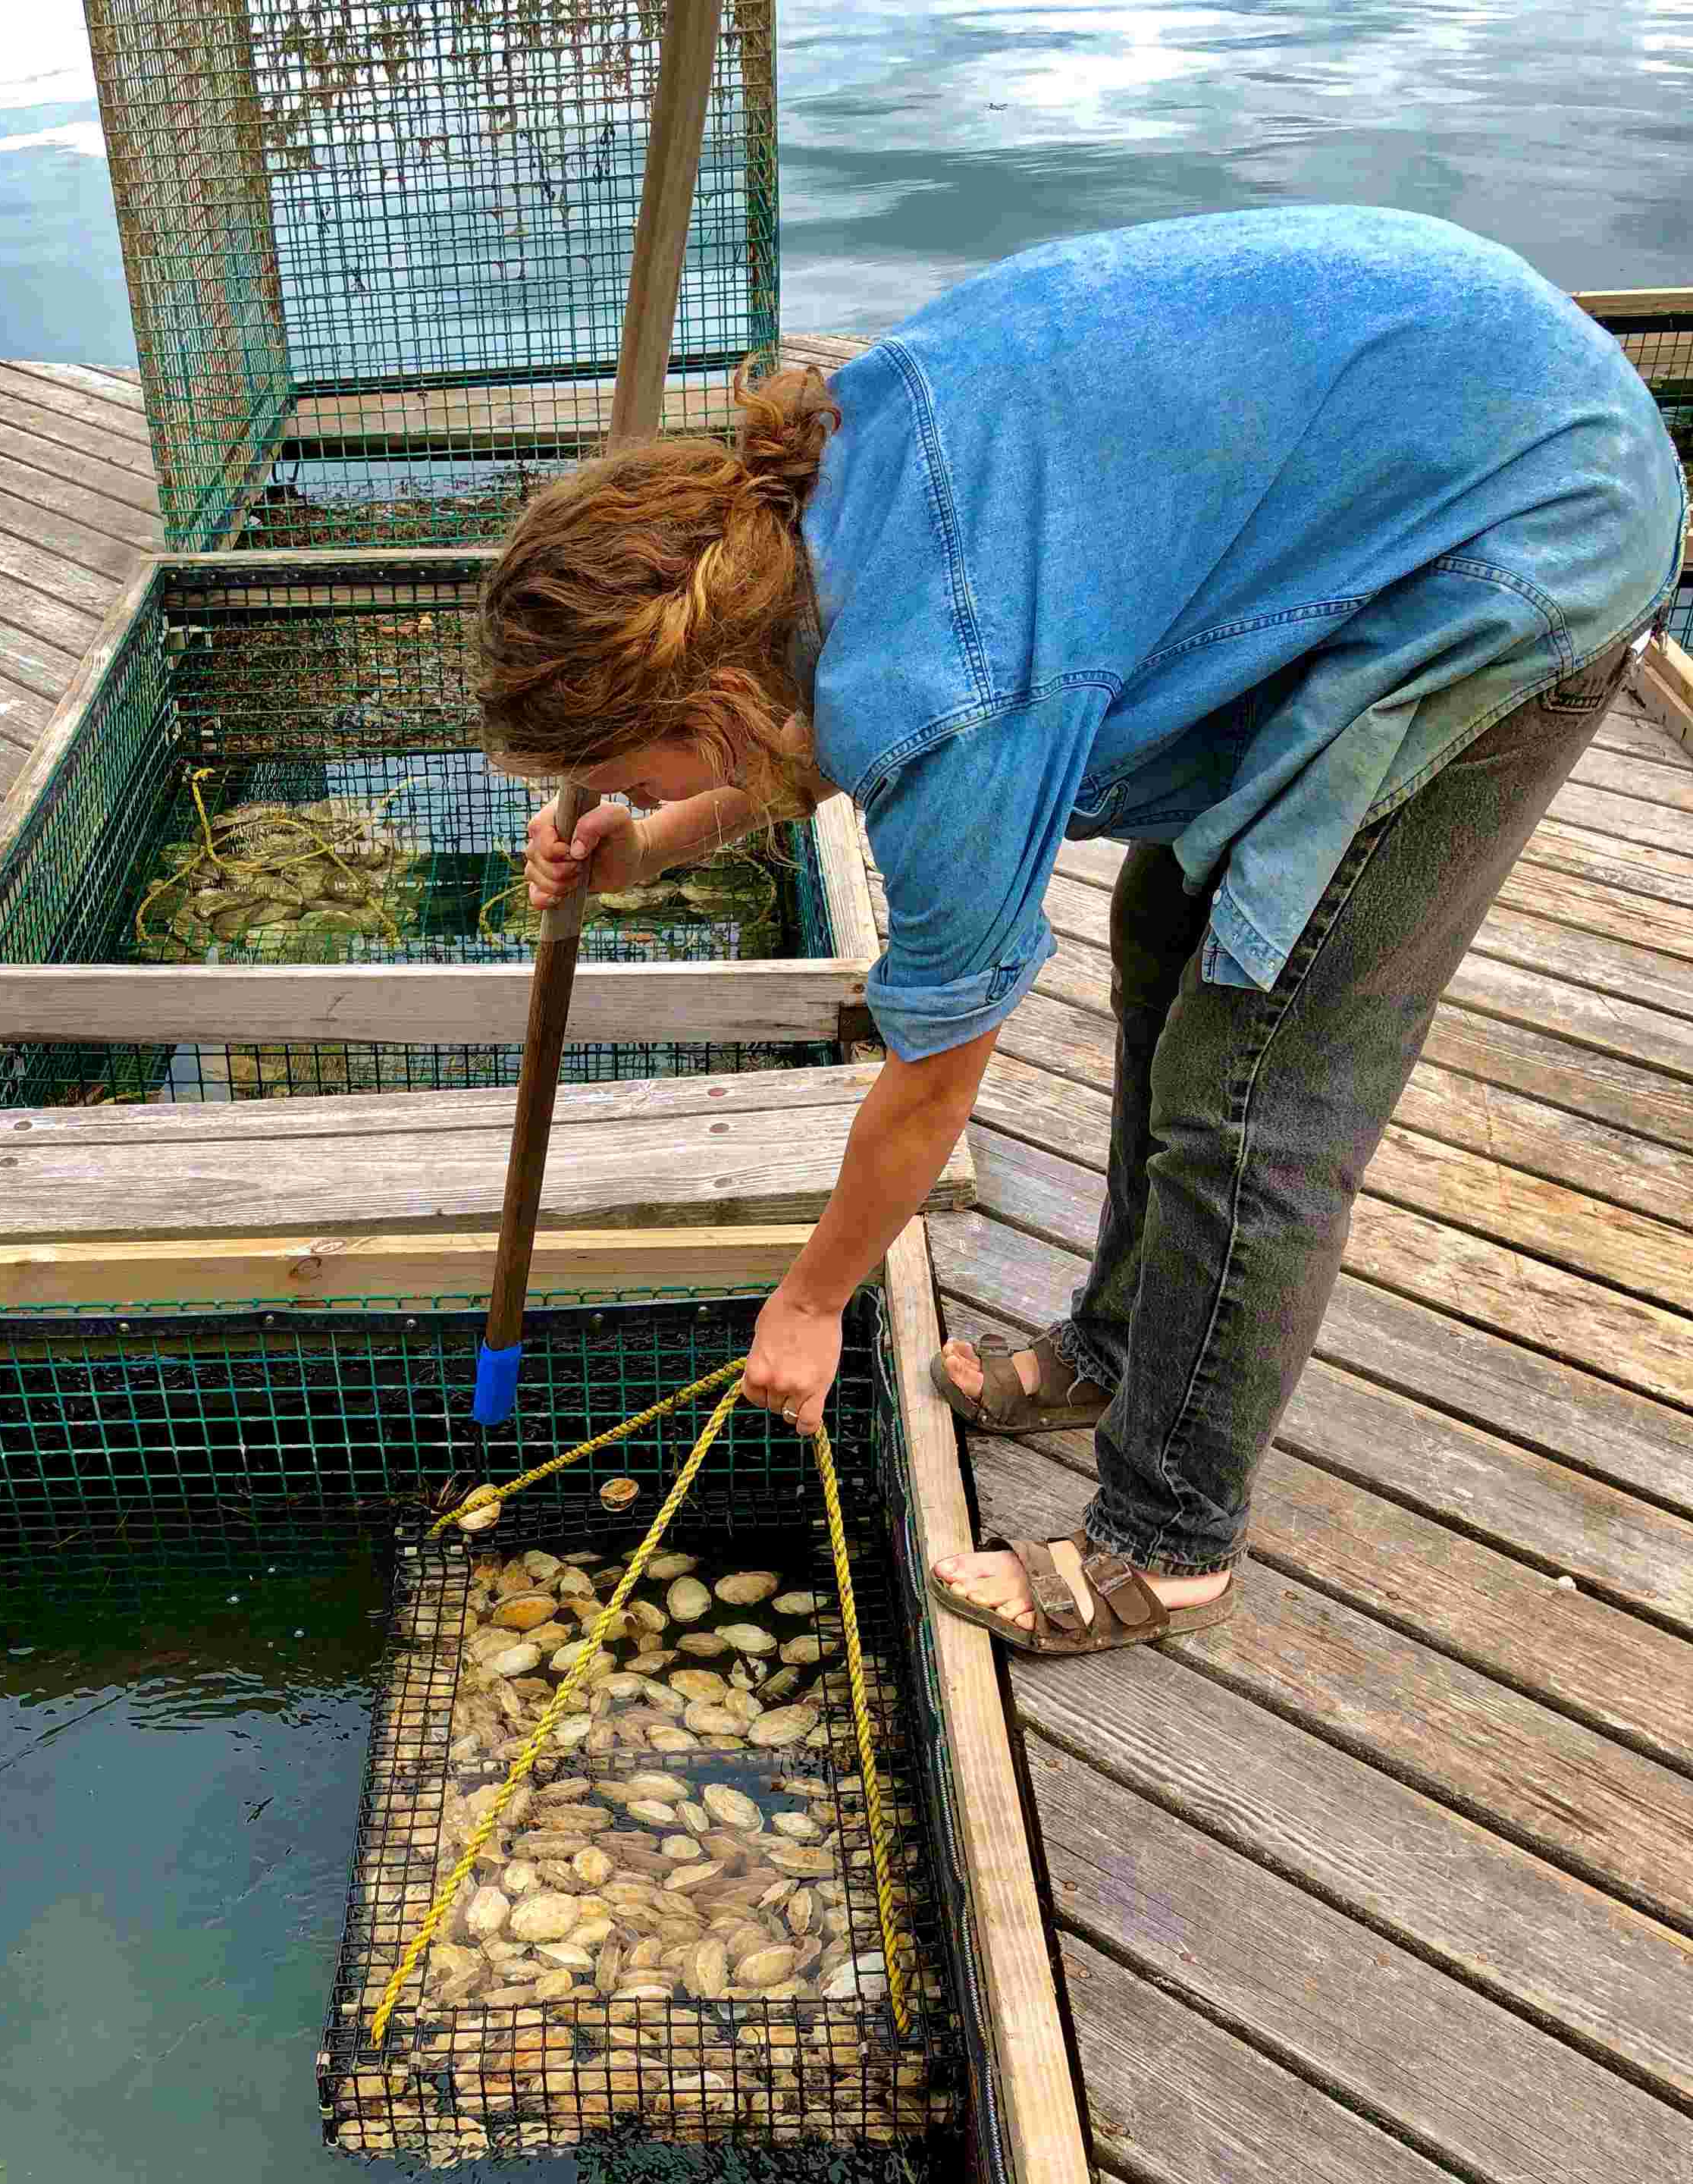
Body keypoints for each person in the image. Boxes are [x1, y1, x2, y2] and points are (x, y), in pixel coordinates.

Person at [479, 205, 1685, 1658]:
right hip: (1397, 429)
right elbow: (813, 721)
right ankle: (1120, 1349)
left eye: (629, 774)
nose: (616, 799)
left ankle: (1169, 1541)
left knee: (1256, 1083)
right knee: (1162, 935)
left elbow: (932, 1077)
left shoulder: (948, 691)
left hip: (1527, 528)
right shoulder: (790, 518)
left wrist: (810, 1304)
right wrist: (657, 842)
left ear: (705, 700)